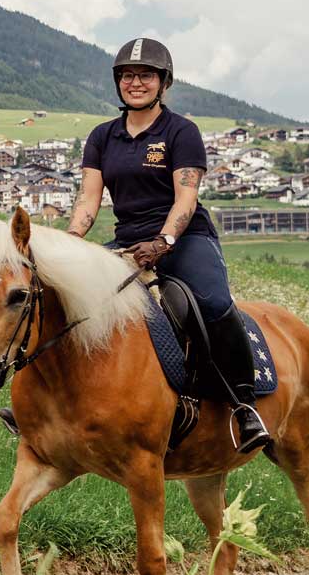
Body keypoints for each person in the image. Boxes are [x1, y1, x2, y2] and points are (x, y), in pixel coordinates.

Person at [64, 37, 272, 453]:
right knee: (71, 299)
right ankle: (61, 402)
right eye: (127, 75)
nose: (134, 82)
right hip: (127, 240)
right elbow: (89, 201)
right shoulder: (102, 137)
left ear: (163, 82)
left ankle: (244, 405)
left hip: (185, 236)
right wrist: (70, 243)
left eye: (145, 75)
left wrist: (165, 240)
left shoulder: (181, 132)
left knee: (212, 304)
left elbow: (185, 199)